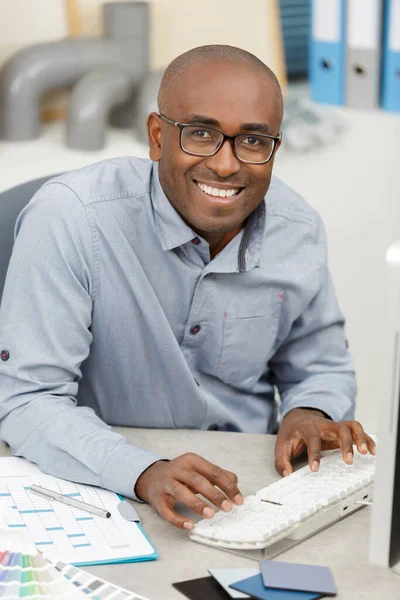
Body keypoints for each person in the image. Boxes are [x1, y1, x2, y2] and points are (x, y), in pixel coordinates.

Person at [0, 45, 375, 531]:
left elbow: (320, 363)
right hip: (109, 486)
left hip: (258, 491)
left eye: (254, 141)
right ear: (157, 137)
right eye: (201, 134)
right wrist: (144, 473)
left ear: (274, 150)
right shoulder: (71, 218)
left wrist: (309, 410)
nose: (225, 165)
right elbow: (28, 400)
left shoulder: (297, 227)